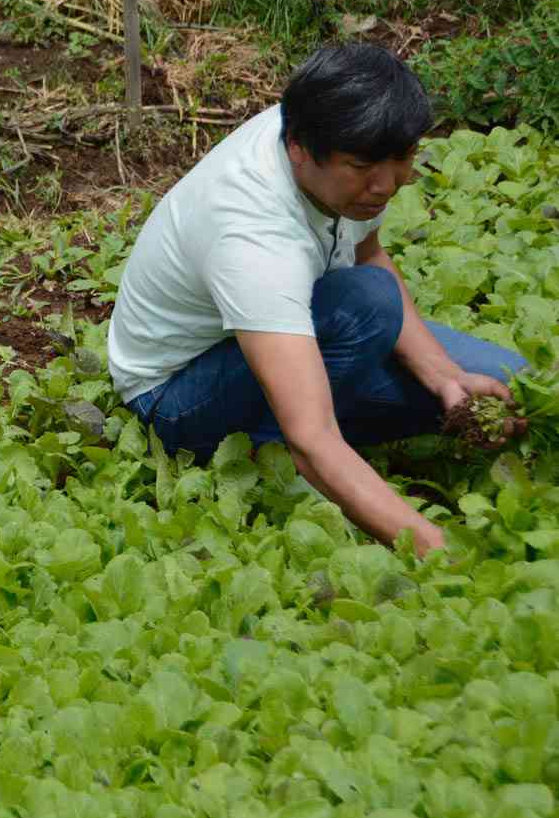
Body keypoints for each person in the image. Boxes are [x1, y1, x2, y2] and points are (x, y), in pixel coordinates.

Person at [107, 44, 526, 556]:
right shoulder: (252, 235)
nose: (386, 185)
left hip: (293, 327)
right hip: (176, 395)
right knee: (366, 306)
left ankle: (320, 422)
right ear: (299, 149)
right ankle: (265, 456)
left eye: (403, 161)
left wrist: (445, 376)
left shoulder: (344, 144)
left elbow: (369, 253)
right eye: (364, 167)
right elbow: (312, 438)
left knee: (506, 381)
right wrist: (437, 550)